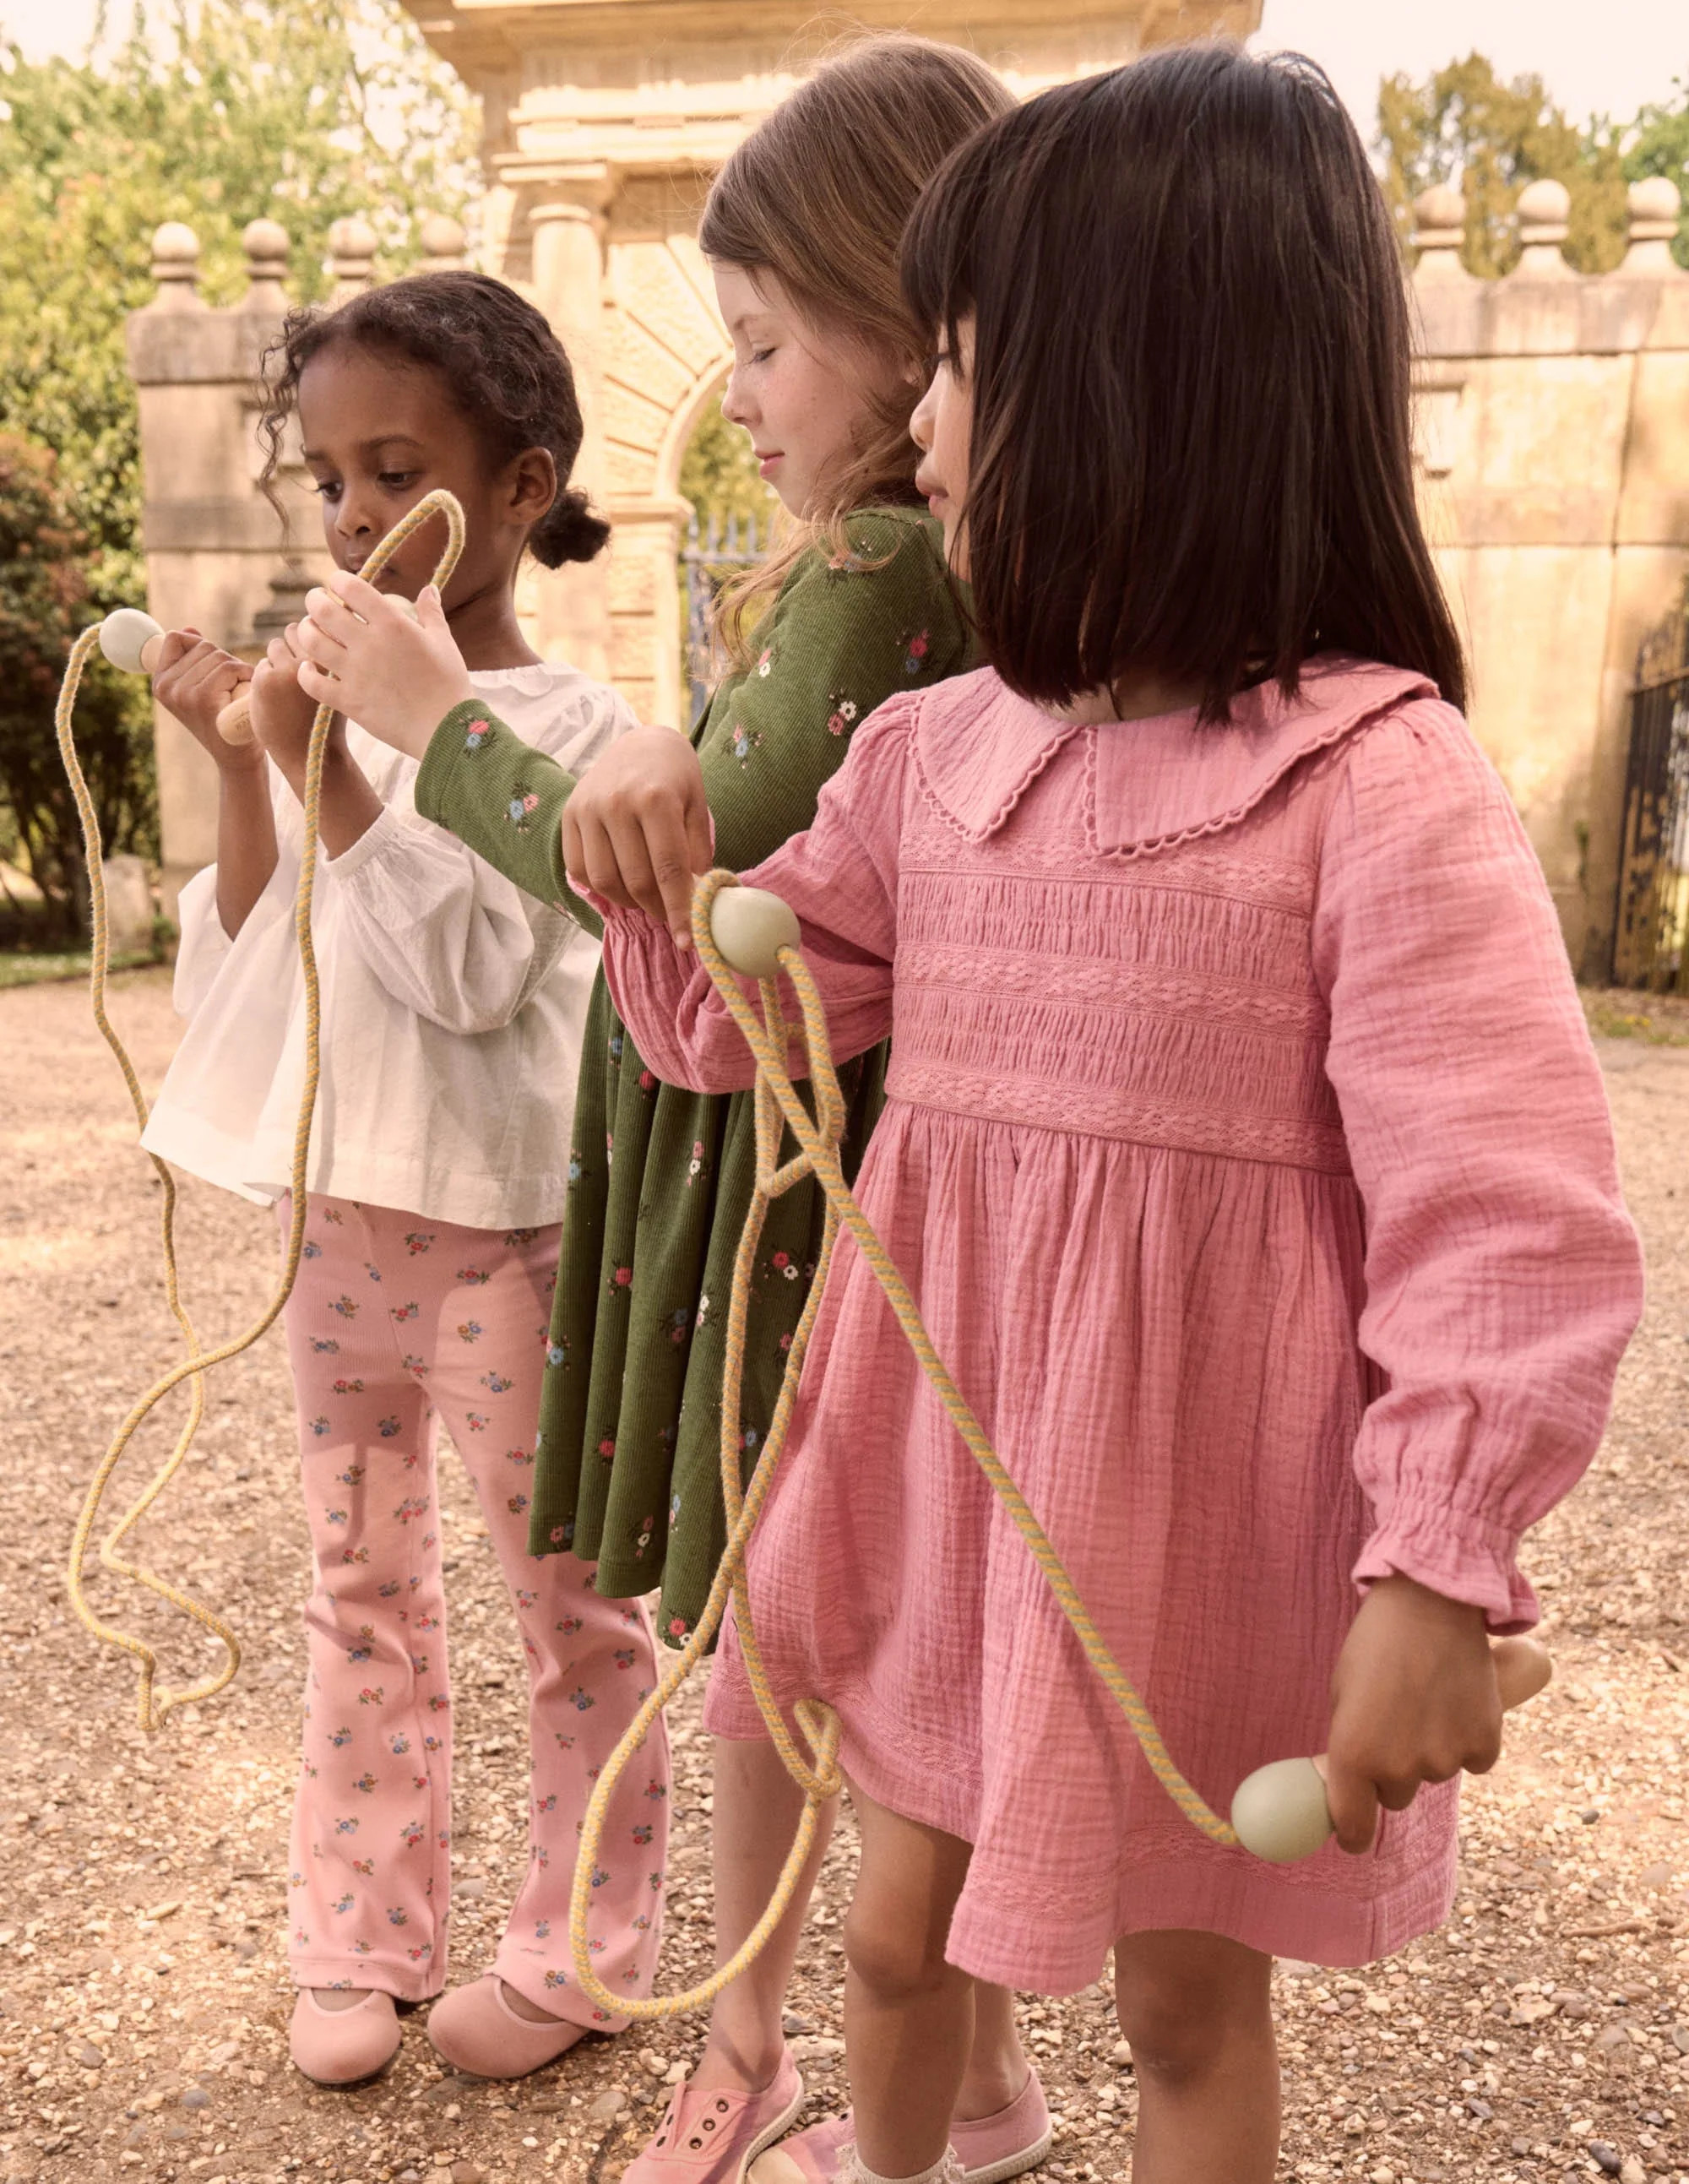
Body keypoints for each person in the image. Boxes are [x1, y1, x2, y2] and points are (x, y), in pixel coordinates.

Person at [576, 45, 1645, 2184]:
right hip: (943, 1475)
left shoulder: (1373, 784)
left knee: (1179, 1992)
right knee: (888, 1934)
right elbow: (731, 1029)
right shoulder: (933, 756)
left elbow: (1507, 1219)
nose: (921, 420)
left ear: (1147, 389)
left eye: (963, 361)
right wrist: (638, 838)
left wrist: (1436, 1569)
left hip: (1196, 1522)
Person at [291, 38, 1054, 2184]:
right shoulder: (963, 571)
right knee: (856, 1665)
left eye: (763, 339)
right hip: (867, 1177)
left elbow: (678, 871)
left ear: (911, 337)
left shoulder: (878, 570)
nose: (733, 395)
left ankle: (756, 2066)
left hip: (804, 1211)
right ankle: (963, 2088)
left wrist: (436, 720)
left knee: (781, 1657)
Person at [139, 271, 670, 2090]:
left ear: (520, 490)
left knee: (568, 1600)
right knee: (360, 1585)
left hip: (508, 1235)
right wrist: (249, 770)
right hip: (340, 1222)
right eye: (331, 483)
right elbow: (241, 972)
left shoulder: (574, 738)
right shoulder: (323, 714)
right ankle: (358, 1938)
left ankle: (581, 1948)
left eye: (397, 471)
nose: (358, 518)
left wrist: (336, 762)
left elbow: (463, 971)